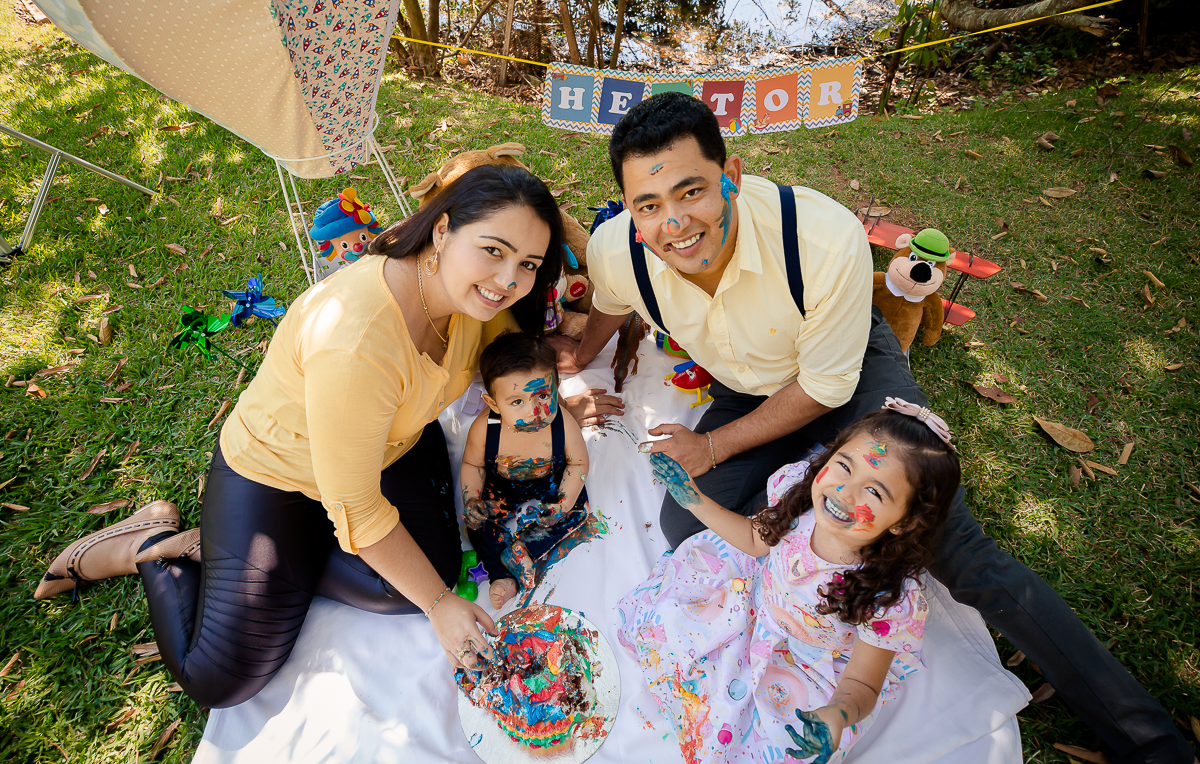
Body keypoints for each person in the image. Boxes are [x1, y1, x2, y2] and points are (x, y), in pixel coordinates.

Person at [556, 92, 1195, 764]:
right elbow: (607, 305)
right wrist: (572, 359)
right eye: (648, 206)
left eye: (692, 191)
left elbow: (824, 390)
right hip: (751, 391)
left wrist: (712, 443)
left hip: (847, 375)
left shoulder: (821, 238)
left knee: (952, 549)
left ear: (733, 176)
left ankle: (1154, 745)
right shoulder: (616, 249)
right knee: (691, 528)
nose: (675, 223)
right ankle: (800, 542)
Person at [32, 165, 610, 709]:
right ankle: (158, 548)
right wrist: (438, 607)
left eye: (530, 264)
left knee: (416, 577)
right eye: (493, 250)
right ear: (442, 229)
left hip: (389, 447)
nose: (509, 280)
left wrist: (554, 403)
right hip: (277, 472)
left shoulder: (476, 301)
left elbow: (514, 363)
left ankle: (260, 558)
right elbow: (357, 505)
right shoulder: (358, 338)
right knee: (222, 676)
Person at [618, 401, 959, 764]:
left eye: (873, 492)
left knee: (782, 749)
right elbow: (754, 540)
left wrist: (837, 715)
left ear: (904, 522)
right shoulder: (799, 498)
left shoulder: (887, 599)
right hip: (753, 602)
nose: (845, 491)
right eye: (844, 466)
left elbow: (862, 684)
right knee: (665, 626)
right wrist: (694, 500)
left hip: (810, 662)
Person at [462, 332, 589, 608]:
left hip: (549, 482)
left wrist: (562, 503)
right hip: (502, 485)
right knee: (476, 523)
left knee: (577, 511)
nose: (534, 410)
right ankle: (502, 575)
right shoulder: (486, 428)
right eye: (517, 401)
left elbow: (578, 464)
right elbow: (473, 465)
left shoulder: (563, 424)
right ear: (494, 404)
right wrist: (472, 498)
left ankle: (524, 549)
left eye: (543, 394)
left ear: (557, 385)